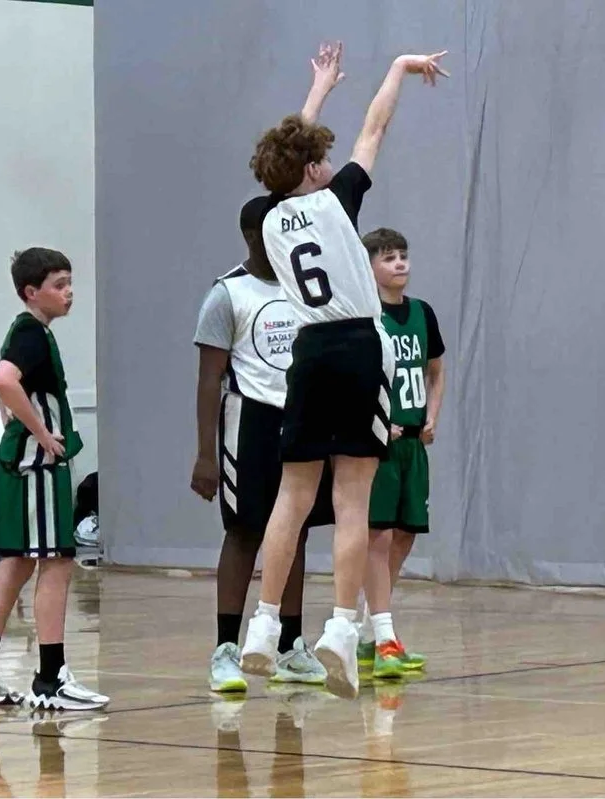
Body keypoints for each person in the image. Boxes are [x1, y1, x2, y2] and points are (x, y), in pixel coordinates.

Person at [240, 41, 448, 698]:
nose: (333, 164)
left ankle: (263, 628)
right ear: (310, 169)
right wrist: (397, 71)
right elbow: (375, 127)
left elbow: (288, 154)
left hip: (308, 355)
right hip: (359, 347)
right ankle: (337, 629)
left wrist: (319, 89)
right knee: (352, 501)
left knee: (291, 498)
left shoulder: (270, 220)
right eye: (321, 160)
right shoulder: (338, 202)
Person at [0, 247, 108, 712]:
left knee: (16, 565)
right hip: (38, 468)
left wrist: (16, 424)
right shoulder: (32, 334)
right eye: (59, 284)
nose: (69, 292)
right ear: (31, 292)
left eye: (69, 282)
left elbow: (4, 385)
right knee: (56, 563)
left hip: (22, 465)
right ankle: (50, 678)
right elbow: (3, 380)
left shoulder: (26, 333)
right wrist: (40, 433)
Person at [192, 195, 332, 693]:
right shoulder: (227, 294)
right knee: (245, 533)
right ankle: (226, 649)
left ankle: (291, 646)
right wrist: (206, 455)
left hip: (302, 421)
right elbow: (209, 380)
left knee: (295, 532)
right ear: (253, 235)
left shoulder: (307, 289)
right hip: (247, 423)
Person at [357, 227, 445, 676]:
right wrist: (375, 421)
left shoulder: (422, 314)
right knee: (379, 537)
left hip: (414, 444)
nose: (400, 264)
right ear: (369, 267)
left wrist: (432, 415)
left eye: (403, 256)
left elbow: (436, 369)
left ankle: (368, 634)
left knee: (405, 536)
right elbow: (354, 381)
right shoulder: (366, 318)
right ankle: (386, 637)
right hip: (381, 446)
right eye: (389, 258)